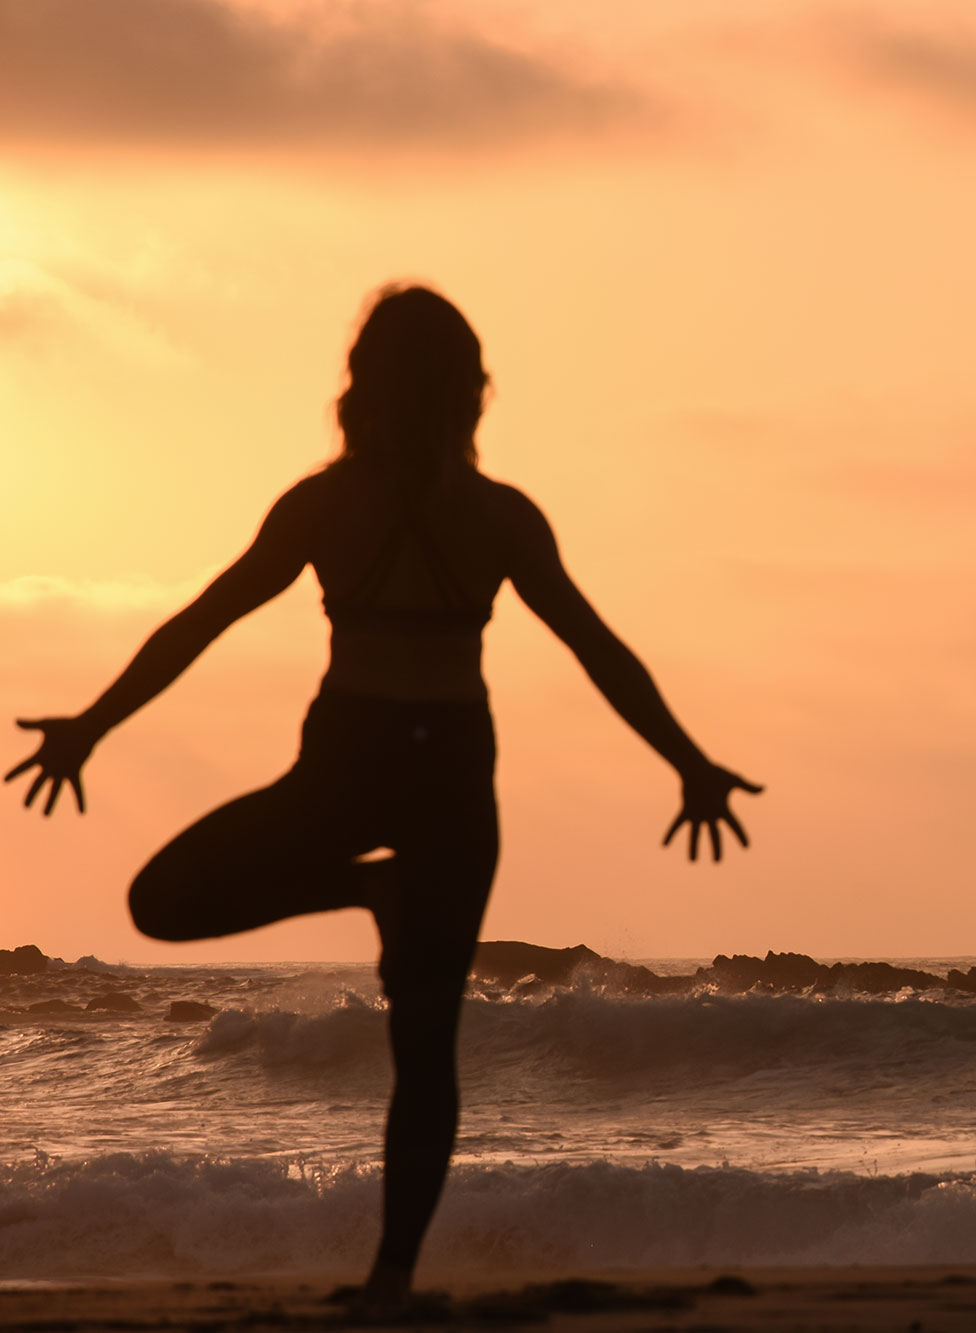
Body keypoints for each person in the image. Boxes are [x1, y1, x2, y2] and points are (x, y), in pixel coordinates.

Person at [5, 284, 760, 1307]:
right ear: (470, 394)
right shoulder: (494, 515)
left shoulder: (330, 503)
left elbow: (201, 620)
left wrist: (95, 724)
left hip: (352, 765)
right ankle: (391, 1274)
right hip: (449, 773)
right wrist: (687, 761)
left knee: (173, 906)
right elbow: (598, 651)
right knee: (423, 1041)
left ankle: (369, 906)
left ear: (359, 386)